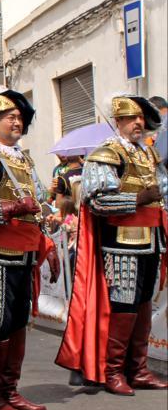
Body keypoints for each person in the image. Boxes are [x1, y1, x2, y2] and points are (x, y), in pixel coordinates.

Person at [56, 93, 167, 394]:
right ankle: (113, 371)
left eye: (141, 118)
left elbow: (164, 193)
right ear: (117, 121)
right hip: (121, 243)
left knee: (144, 303)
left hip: (152, 240)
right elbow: (97, 202)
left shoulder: (149, 154)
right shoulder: (106, 154)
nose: (138, 123)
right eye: (131, 118)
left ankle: (138, 369)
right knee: (123, 303)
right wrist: (138, 198)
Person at [0, 84, 59, 410]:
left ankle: (10, 389)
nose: (17, 122)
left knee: (19, 322)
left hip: (25, 252)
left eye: (19, 116)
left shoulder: (23, 158)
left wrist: (47, 241)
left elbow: (38, 206)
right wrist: (11, 208)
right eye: (9, 117)